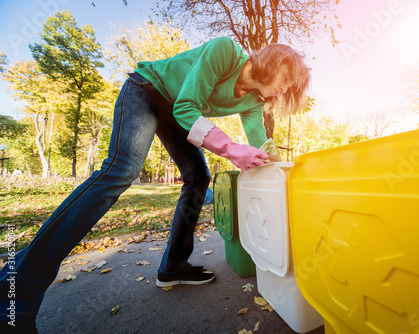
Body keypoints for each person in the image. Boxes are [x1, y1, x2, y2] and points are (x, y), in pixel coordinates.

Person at [0, 36, 310, 332]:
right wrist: (231, 149)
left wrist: (270, 159)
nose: (287, 86)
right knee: (121, 171)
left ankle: (174, 265)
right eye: (289, 76)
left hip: (176, 113)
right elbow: (187, 106)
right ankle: (12, 298)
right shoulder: (225, 51)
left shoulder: (253, 103)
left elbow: (258, 146)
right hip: (147, 89)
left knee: (198, 178)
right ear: (273, 60)